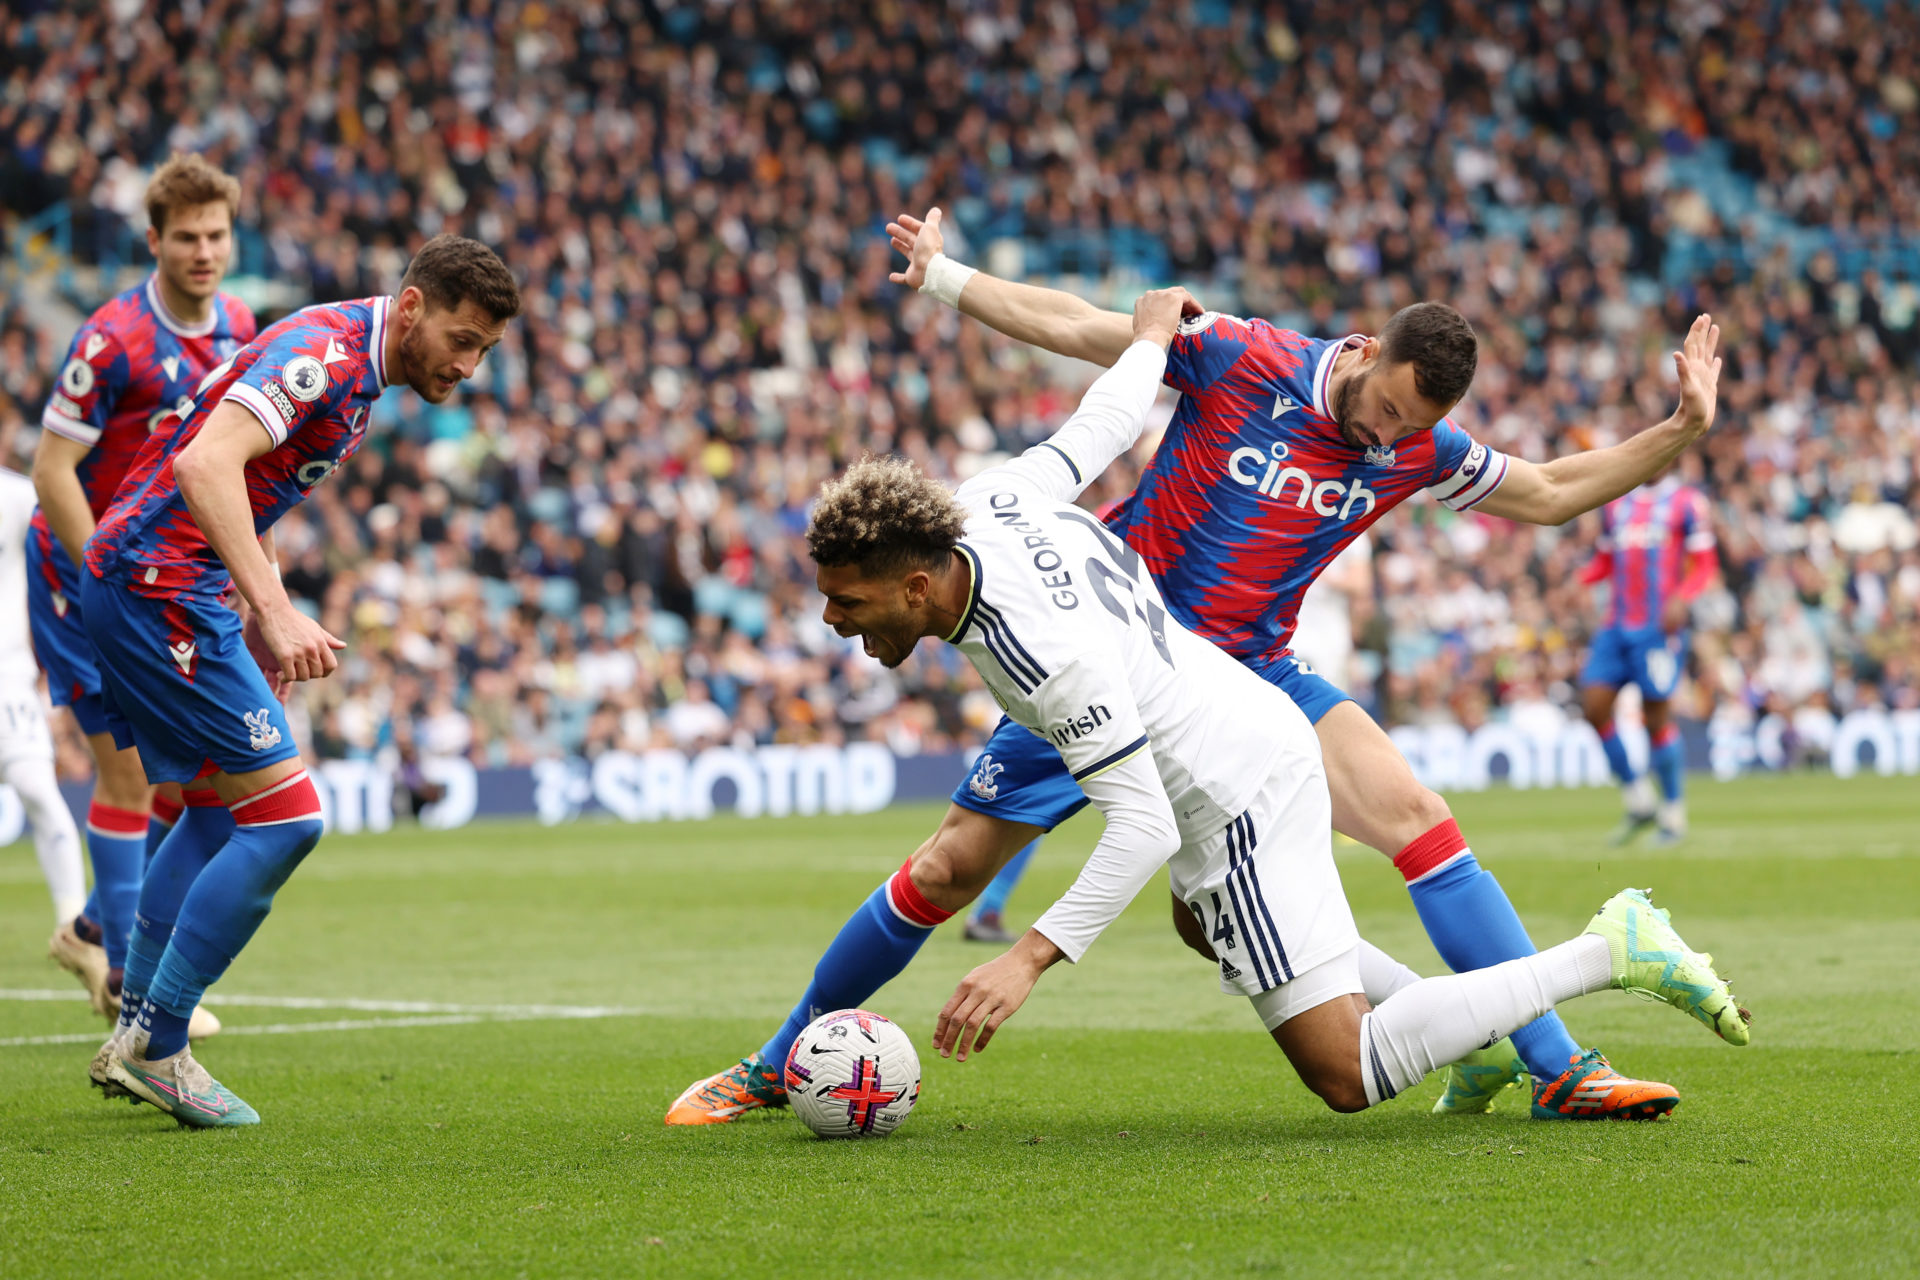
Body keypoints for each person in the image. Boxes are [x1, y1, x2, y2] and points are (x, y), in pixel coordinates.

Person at [666, 210, 1726, 1126]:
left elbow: (1545, 490)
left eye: (1417, 426)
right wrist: (948, 278)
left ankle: (1555, 1063)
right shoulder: (1248, 356)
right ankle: (774, 1063)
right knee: (951, 873)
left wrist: (1679, 428)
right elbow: (1092, 335)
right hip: (1101, 654)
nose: (1391, 436)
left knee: (1417, 816)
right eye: (1390, 409)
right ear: (1362, 351)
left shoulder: (1416, 447)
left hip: (1253, 677)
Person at [82, 234, 521, 1126]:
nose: (470, 366)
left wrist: (255, 612)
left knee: (214, 811)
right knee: (287, 820)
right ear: (410, 309)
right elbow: (202, 466)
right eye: (463, 340)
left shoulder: (355, 367)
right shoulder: (323, 355)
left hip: (169, 582)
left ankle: (132, 1027)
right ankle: (160, 1045)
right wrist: (274, 612)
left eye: (485, 350)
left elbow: (250, 482)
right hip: (159, 582)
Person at [33, 153, 255, 1029]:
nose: (203, 251)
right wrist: (104, 583)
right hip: (82, 570)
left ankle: (93, 926)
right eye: (186, 238)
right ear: (154, 240)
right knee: (128, 778)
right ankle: (129, 983)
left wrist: (244, 575)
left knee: (186, 779)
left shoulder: (240, 325)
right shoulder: (113, 338)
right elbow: (54, 471)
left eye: (217, 235)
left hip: (166, 574)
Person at [1578, 470, 1719, 844]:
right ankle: (1639, 800)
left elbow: (1704, 564)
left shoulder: (1687, 503)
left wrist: (1682, 597)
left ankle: (1672, 814)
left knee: (1654, 719)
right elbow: (1605, 562)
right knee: (1594, 706)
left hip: (1658, 629)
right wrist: (1579, 581)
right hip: (1616, 625)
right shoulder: (1616, 503)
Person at [1, 460, 87, 929]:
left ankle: (71, 919)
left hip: (7, 677)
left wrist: (49, 660)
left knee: (38, 790)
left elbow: (56, 570)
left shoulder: (17, 496)